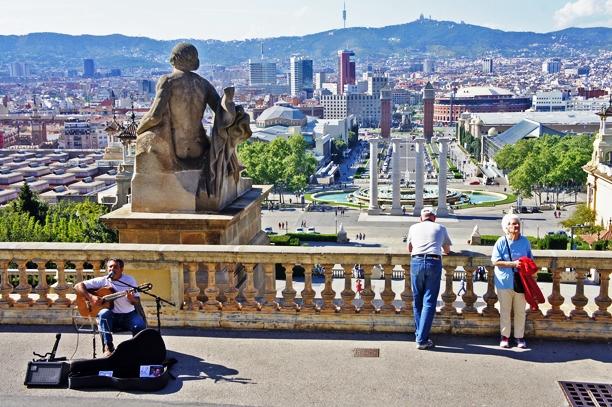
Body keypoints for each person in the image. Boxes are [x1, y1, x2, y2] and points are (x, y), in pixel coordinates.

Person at [75, 259, 146, 357]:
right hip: (111, 317)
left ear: (121, 269)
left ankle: (138, 349)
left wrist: (131, 298)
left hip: (129, 315)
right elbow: (78, 286)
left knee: (140, 325)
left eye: (115, 267)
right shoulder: (103, 280)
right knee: (104, 313)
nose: (112, 269)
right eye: (110, 267)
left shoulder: (129, 280)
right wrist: (91, 297)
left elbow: (136, 301)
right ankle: (108, 347)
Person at [406, 207, 452, 350]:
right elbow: (447, 250)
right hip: (433, 262)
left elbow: (409, 248)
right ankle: (422, 339)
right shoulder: (441, 228)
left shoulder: (413, 227)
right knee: (429, 301)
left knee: (417, 300)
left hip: (417, 262)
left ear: (421, 218)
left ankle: (420, 335)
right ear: (434, 217)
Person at [491, 213, 532, 349]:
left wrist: (526, 264)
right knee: (505, 310)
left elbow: (530, 259)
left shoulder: (525, 241)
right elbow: (495, 261)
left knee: (520, 311)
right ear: (506, 227)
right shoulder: (501, 242)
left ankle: (519, 337)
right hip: (504, 281)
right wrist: (514, 264)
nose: (516, 226)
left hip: (521, 282)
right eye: (513, 224)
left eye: (517, 223)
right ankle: (505, 337)